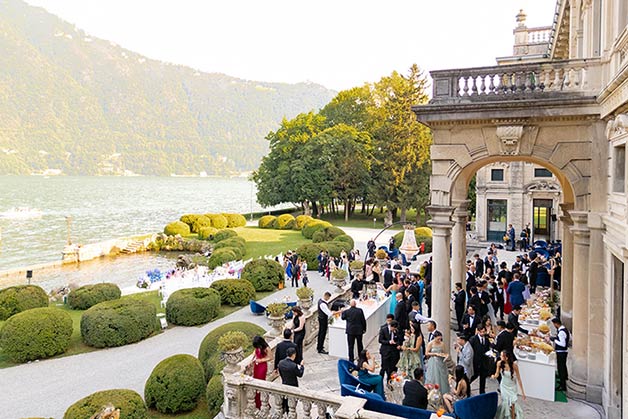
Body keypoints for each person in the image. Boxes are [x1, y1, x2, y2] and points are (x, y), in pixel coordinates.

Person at [493, 350, 526, 419]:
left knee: (513, 404)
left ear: (506, 357)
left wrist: (523, 392)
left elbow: (519, 379)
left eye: (502, 356)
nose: (500, 357)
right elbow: (497, 374)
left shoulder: (514, 366)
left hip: (512, 387)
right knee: (506, 403)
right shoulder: (499, 363)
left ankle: (513, 417)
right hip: (504, 386)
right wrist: (494, 376)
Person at [278, 347, 305, 413]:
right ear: (293, 355)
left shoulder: (281, 363)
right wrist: (302, 366)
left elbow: (280, 373)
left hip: (284, 383)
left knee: (285, 400)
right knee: (292, 403)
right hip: (293, 385)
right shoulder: (293, 365)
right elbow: (300, 374)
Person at [469, 326, 491, 394]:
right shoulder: (473, 339)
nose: (483, 333)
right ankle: (466, 385)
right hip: (475, 361)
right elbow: (470, 351)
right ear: (478, 331)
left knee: (483, 378)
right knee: (474, 375)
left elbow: (487, 349)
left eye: (484, 332)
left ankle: (482, 392)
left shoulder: (486, 340)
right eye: (481, 332)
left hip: (484, 362)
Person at [550, 317, 570, 391]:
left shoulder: (561, 332)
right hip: (563, 352)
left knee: (561, 368)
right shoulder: (564, 329)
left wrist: (554, 340)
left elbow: (562, 344)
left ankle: (563, 385)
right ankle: (564, 378)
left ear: (556, 324)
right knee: (563, 366)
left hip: (561, 352)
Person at [252, 336, 271, 408]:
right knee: (255, 382)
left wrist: (261, 360)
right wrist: (252, 360)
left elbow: (270, 357)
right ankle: (257, 402)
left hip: (262, 366)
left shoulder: (267, 348)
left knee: (260, 382)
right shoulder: (257, 347)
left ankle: (262, 402)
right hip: (256, 366)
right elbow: (254, 353)